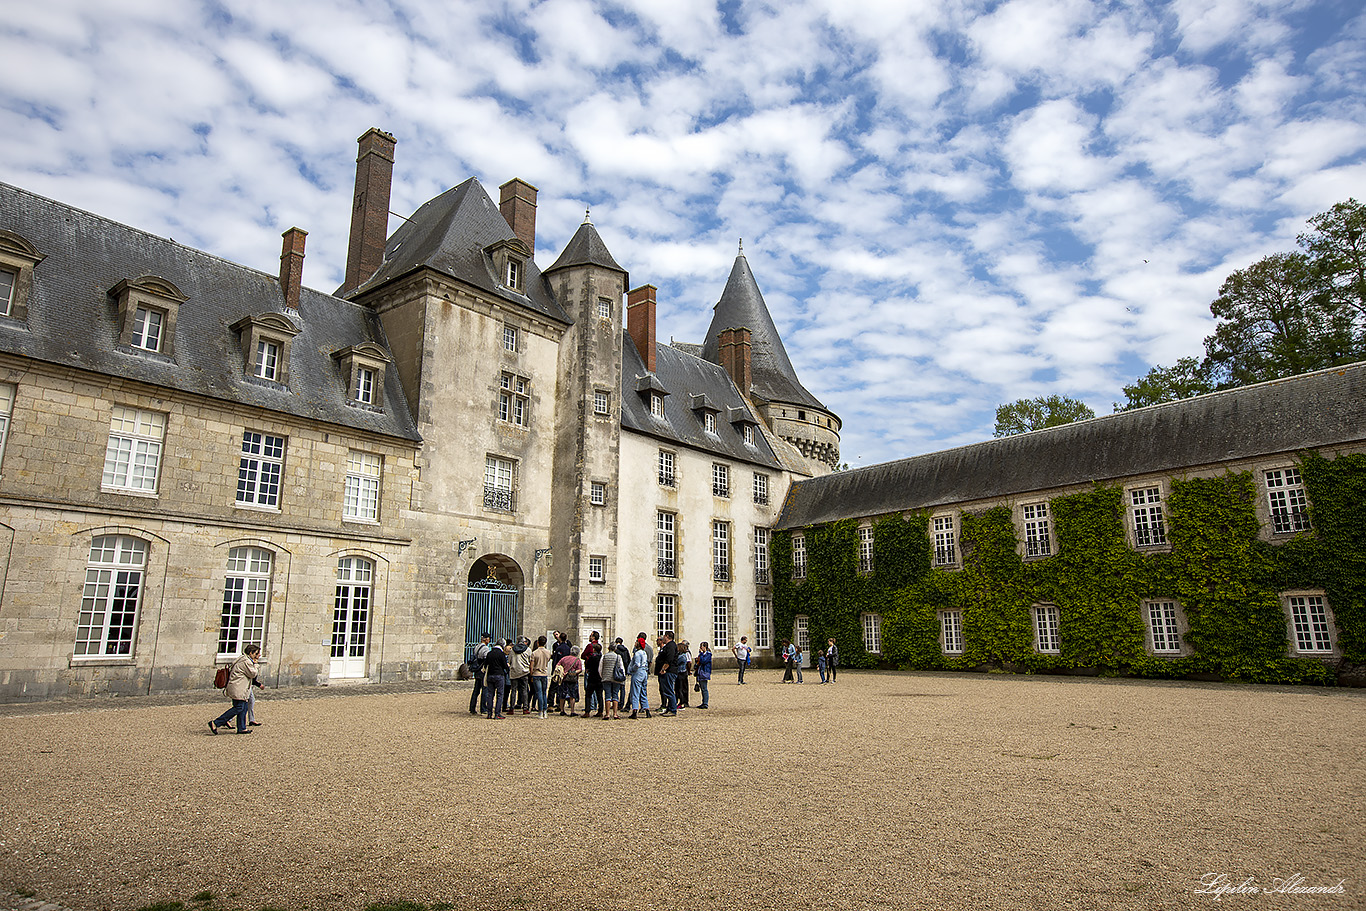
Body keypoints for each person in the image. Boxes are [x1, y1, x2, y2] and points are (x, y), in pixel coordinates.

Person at [209, 645, 263, 735]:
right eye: (256, 653)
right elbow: (253, 674)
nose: (258, 655)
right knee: (239, 707)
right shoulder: (246, 661)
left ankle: (242, 728)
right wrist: (256, 664)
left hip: (239, 687)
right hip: (238, 687)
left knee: (244, 707)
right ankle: (216, 723)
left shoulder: (243, 659)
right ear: (250, 653)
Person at [597, 637, 625, 720]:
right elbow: (621, 668)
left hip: (606, 678)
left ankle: (607, 714)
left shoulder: (604, 656)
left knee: (607, 695)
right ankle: (615, 714)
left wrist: (603, 676)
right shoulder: (618, 657)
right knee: (615, 695)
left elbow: (600, 668)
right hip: (616, 678)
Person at [483, 638, 510, 719]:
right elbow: (505, 666)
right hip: (499, 675)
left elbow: (485, 664)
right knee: (500, 694)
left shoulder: (489, 653)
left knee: (490, 694)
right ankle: (497, 713)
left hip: (490, 675)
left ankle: (489, 713)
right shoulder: (501, 654)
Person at [628, 633, 653, 719]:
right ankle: (647, 710)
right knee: (643, 691)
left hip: (638, 673)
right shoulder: (644, 653)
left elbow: (637, 664)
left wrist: (632, 670)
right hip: (644, 673)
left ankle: (635, 710)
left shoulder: (638, 653)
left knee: (635, 692)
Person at [468, 632, 492, 714]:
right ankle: (483, 708)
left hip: (477, 670)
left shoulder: (477, 646)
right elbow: (486, 658)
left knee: (476, 690)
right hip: (482, 669)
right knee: (484, 689)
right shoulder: (485, 648)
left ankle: (472, 707)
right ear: (486, 639)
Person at [529, 635, 553, 718]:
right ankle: (545, 711)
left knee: (538, 692)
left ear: (538, 642)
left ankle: (540, 711)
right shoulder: (548, 652)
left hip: (536, 674)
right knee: (543, 692)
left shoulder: (534, 653)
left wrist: (531, 674)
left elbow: (531, 666)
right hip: (544, 673)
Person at [656, 631, 678, 716]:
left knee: (669, 690)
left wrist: (663, 669)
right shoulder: (668, 646)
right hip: (667, 671)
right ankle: (669, 708)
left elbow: (669, 659)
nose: (662, 638)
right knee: (666, 690)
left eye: (664, 636)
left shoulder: (671, 646)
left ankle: (673, 709)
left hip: (669, 671)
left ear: (667, 636)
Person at [582, 631, 603, 718]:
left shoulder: (590, 646)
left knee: (588, 693)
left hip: (592, 676)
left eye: (591, 635)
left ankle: (588, 710)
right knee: (599, 695)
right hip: (599, 677)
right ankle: (600, 710)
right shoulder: (601, 657)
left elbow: (583, 656)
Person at [557, 646, 584, 716]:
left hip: (564, 678)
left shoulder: (564, 658)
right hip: (573, 679)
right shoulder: (577, 660)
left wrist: (563, 671)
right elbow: (580, 669)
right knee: (572, 695)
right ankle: (572, 711)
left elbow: (558, 665)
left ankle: (562, 710)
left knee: (562, 695)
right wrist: (574, 672)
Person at [510, 636, 532, 713]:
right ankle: (525, 707)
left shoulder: (512, 649)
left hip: (514, 671)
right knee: (524, 690)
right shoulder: (528, 650)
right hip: (524, 671)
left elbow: (510, 661)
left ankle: (511, 708)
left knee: (513, 690)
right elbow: (530, 660)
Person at [675, 639, 692, 709]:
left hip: (682, 672)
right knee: (680, 688)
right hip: (682, 672)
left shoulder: (685, 654)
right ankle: (681, 701)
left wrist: (688, 670)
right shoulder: (681, 654)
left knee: (682, 688)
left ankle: (684, 702)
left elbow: (689, 662)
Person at [695, 642, 712, 708]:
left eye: (701, 646)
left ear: (705, 647)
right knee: (702, 688)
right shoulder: (703, 654)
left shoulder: (708, 654)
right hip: (701, 672)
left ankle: (705, 703)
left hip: (705, 672)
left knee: (704, 688)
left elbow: (703, 661)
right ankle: (703, 702)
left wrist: (701, 653)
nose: (700, 648)